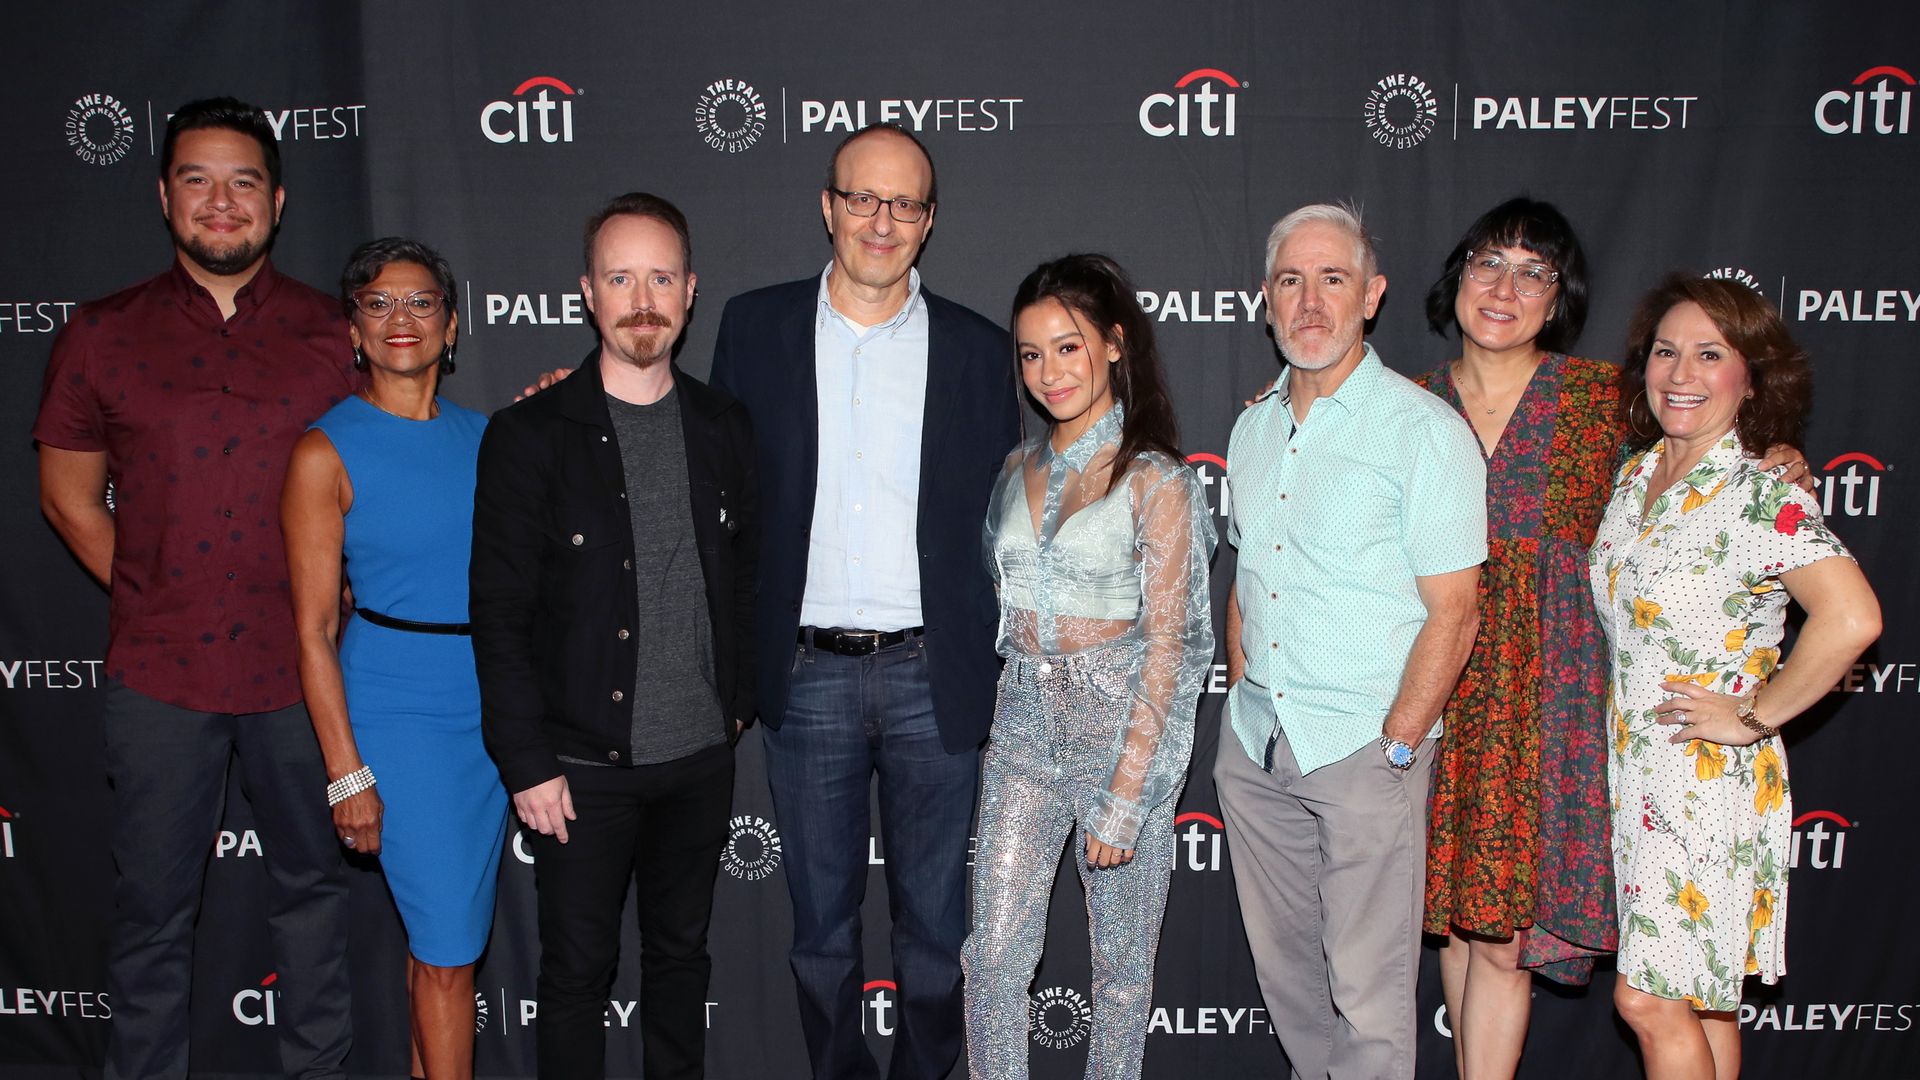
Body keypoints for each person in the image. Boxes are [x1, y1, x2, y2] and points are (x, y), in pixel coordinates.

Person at [1418, 201, 1817, 1080]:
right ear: (1458, 276)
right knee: (1461, 921)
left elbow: (1714, 451)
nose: (1506, 288)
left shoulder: (1608, 401)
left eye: (1534, 272)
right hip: (1441, 691)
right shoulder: (1406, 406)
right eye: (1490, 263)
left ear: (1559, 296)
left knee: (1515, 937)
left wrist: (1782, 450)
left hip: (1564, 703)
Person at [32, 96, 353, 1080]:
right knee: (152, 919)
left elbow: (387, 477)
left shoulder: (334, 333)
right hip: (160, 675)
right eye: (198, 180)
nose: (222, 202)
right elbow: (68, 497)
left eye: (243, 181)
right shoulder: (101, 333)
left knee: (314, 900)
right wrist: (154, 590)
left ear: (277, 202)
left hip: (302, 675)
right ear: (164, 196)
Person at [709, 122, 1021, 1080]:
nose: (881, 221)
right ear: (828, 207)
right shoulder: (753, 328)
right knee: (820, 934)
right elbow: (712, 486)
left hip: (934, 675)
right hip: (804, 676)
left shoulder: (977, 348)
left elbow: (1007, 517)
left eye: (904, 204)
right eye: (862, 198)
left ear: (928, 221)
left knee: (936, 933)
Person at [470, 192, 756, 1080]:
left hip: (699, 759)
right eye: (621, 278)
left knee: (681, 961)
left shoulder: (724, 426)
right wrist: (526, 761)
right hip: (577, 768)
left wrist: (737, 704)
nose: (643, 300)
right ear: (588, 293)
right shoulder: (528, 435)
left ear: (690, 291)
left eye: (660, 278)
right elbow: (499, 613)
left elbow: (747, 575)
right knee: (575, 976)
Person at [1214, 202, 1485, 1080]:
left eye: (1333, 279)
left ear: (1370, 296)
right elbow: (1251, 574)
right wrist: (1243, 690)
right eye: (1290, 281)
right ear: (1266, 300)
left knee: (1370, 994)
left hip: (1367, 748)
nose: (1310, 302)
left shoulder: (1424, 431)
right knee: (1289, 977)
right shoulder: (1253, 428)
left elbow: (1456, 609)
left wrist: (1399, 743)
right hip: (1257, 743)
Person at [1589, 276, 1879, 1080]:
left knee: (1648, 1002)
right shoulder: (1637, 477)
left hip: (1706, 782)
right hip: (1639, 776)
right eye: (1666, 352)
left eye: (1709, 355)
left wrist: (1753, 715)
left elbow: (1852, 617)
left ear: (1751, 378)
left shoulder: (1759, 493)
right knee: (1703, 1000)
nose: (1681, 373)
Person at [961, 254, 1215, 1079]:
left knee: (1122, 971)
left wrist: (1129, 792)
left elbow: (1177, 644)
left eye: (1067, 348)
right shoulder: (1014, 469)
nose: (1049, 372)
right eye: (1032, 354)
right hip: (1021, 723)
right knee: (991, 956)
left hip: (1121, 731)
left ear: (1112, 344)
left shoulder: (1157, 480)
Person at [283, 238, 506, 1080]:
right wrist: (348, 774)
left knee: (442, 948)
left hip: (492, 714)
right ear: (353, 330)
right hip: (399, 716)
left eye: (420, 302)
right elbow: (313, 629)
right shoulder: (324, 452)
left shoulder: (491, 439)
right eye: (377, 304)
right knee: (448, 955)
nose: (399, 319)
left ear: (451, 326)